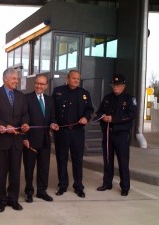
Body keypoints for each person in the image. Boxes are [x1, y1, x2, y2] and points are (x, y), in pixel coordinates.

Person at [0, 68, 29, 213]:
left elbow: (25, 114)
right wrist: (5, 126)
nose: (16, 81)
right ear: (5, 79)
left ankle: (13, 199)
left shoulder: (21, 96)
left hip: (17, 141)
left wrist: (25, 124)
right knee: (1, 174)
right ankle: (1, 200)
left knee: (15, 172)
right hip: (1, 141)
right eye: (14, 78)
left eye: (17, 79)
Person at [52, 70, 94, 198]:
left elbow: (90, 109)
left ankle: (78, 186)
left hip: (77, 132)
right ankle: (62, 186)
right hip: (62, 132)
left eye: (78, 79)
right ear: (68, 78)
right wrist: (53, 122)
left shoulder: (84, 94)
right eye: (74, 78)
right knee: (61, 159)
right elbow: (52, 109)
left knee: (77, 160)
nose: (76, 80)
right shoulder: (58, 91)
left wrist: (86, 118)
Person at [95, 74, 137, 196]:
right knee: (107, 160)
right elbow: (99, 112)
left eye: (117, 85)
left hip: (122, 135)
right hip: (108, 134)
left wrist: (113, 119)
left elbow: (131, 115)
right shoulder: (107, 98)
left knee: (123, 161)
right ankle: (107, 183)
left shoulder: (129, 99)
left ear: (123, 86)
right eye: (113, 84)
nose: (115, 87)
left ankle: (125, 187)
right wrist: (102, 117)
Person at [23, 75, 59, 203]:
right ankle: (29, 192)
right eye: (37, 83)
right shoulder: (27, 98)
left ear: (46, 86)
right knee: (29, 168)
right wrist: (25, 138)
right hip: (30, 140)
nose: (39, 86)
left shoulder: (50, 100)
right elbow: (24, 120)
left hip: (45, 140)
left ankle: (41, 191)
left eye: (42, 84)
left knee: (44, 167)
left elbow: (52, 118)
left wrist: (53, 124)